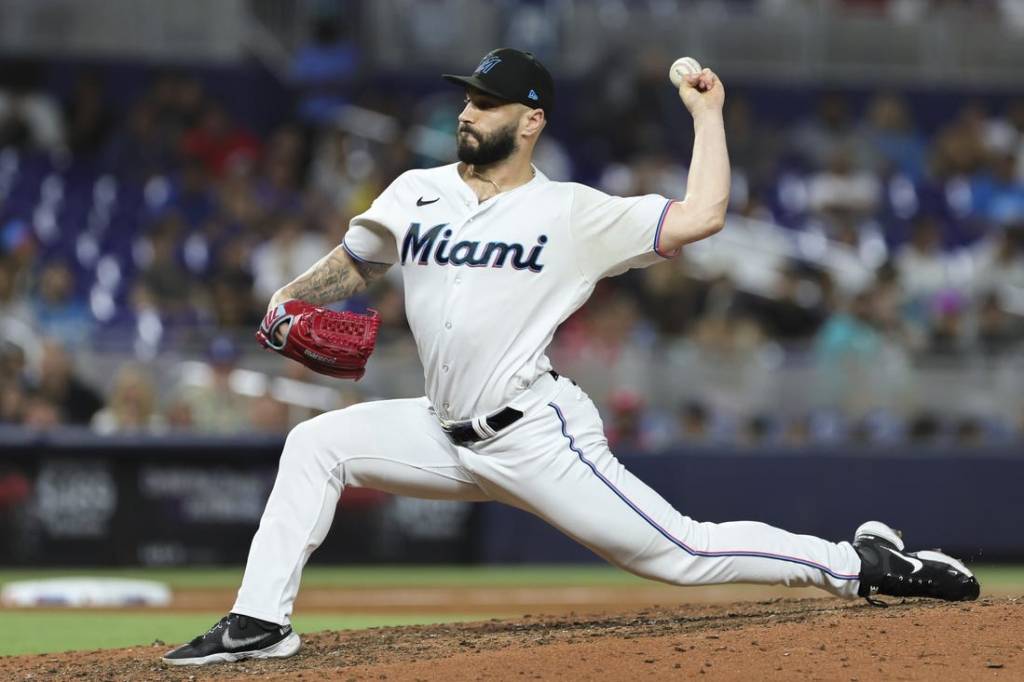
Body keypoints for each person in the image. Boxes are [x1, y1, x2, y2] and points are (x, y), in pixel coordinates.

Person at [163, 48, 979, 666]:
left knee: (683, 554)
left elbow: (701, 217)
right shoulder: (416, 190)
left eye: (486, 102)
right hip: (440, 429)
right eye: (467, 99)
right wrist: (288, 299)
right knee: (315, 444)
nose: (468, 113)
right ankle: (260, 622)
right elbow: (356, 257)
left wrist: (705, 116)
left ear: (529, 121)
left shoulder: (572, 212)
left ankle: (859, 564)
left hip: (534, 433)